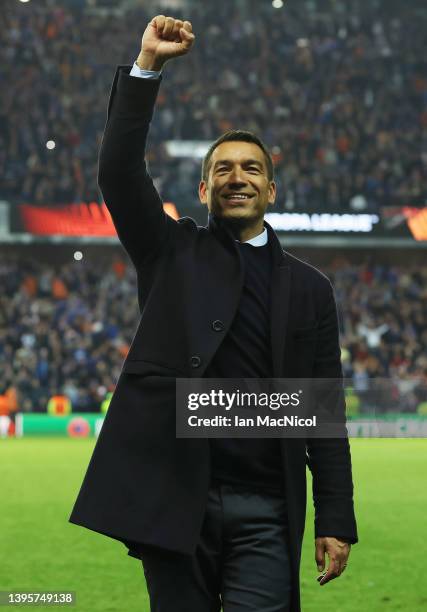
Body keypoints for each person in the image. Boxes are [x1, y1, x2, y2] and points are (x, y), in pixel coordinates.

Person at [69, 15, 358, 611]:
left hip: (268, 508)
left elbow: (322, 412)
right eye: (221, 169)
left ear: (272, 190)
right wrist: (147, 66)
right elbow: (119, 173)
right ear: (203, 190)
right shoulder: (170, 250)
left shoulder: (310, 289)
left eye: (252, 168)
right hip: (177, 501)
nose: (237, 178)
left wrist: (336, 515)